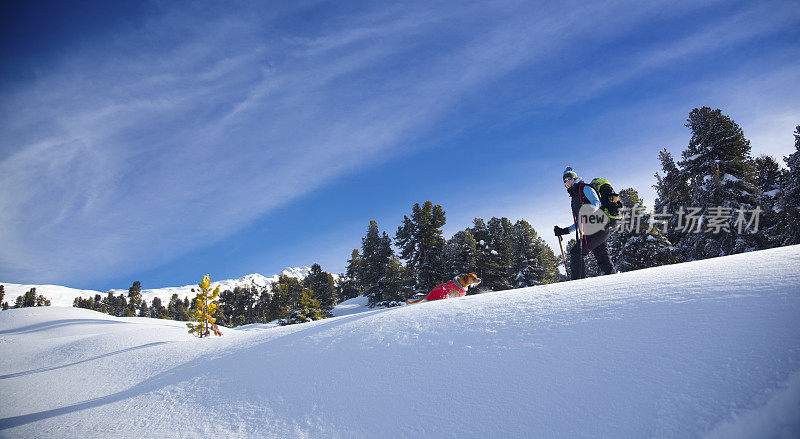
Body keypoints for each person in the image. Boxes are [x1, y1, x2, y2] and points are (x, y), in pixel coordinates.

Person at [554, 166, 616, 279]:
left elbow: (597, 202)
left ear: (574, 178)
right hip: (594, 230)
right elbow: (579, 223)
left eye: (568, 179)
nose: (566, 183)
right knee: (604, 262)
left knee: (576, 252)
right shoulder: (575, 197)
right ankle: (616, 282)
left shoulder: (584, 188)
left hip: (598, 228)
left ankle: (577, 284)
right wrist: (564, 231)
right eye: (564, 181)